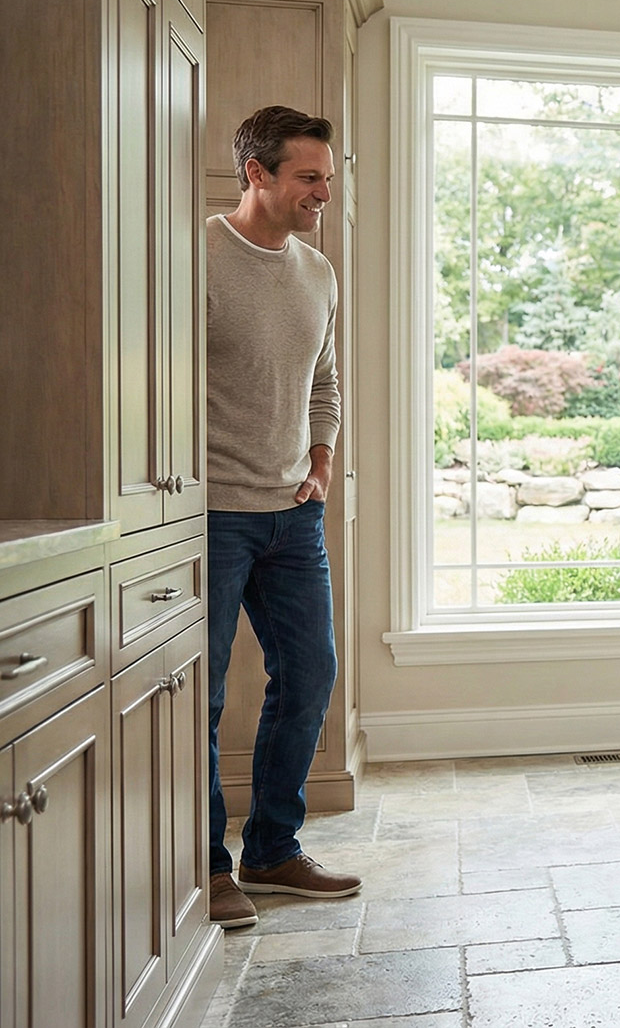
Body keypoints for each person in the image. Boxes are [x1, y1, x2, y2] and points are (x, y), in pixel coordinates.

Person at [204, 106, 360, 929]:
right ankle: (207, 867)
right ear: (257, 173)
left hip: (292, 517)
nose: (322, 193)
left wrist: (322, 459)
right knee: (199, 695)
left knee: (310, 677)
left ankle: (271, 848)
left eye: (327, 179)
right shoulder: (193, 253)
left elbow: (325, 381)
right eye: (308, 177)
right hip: (209, 517)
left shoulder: (318, 270)